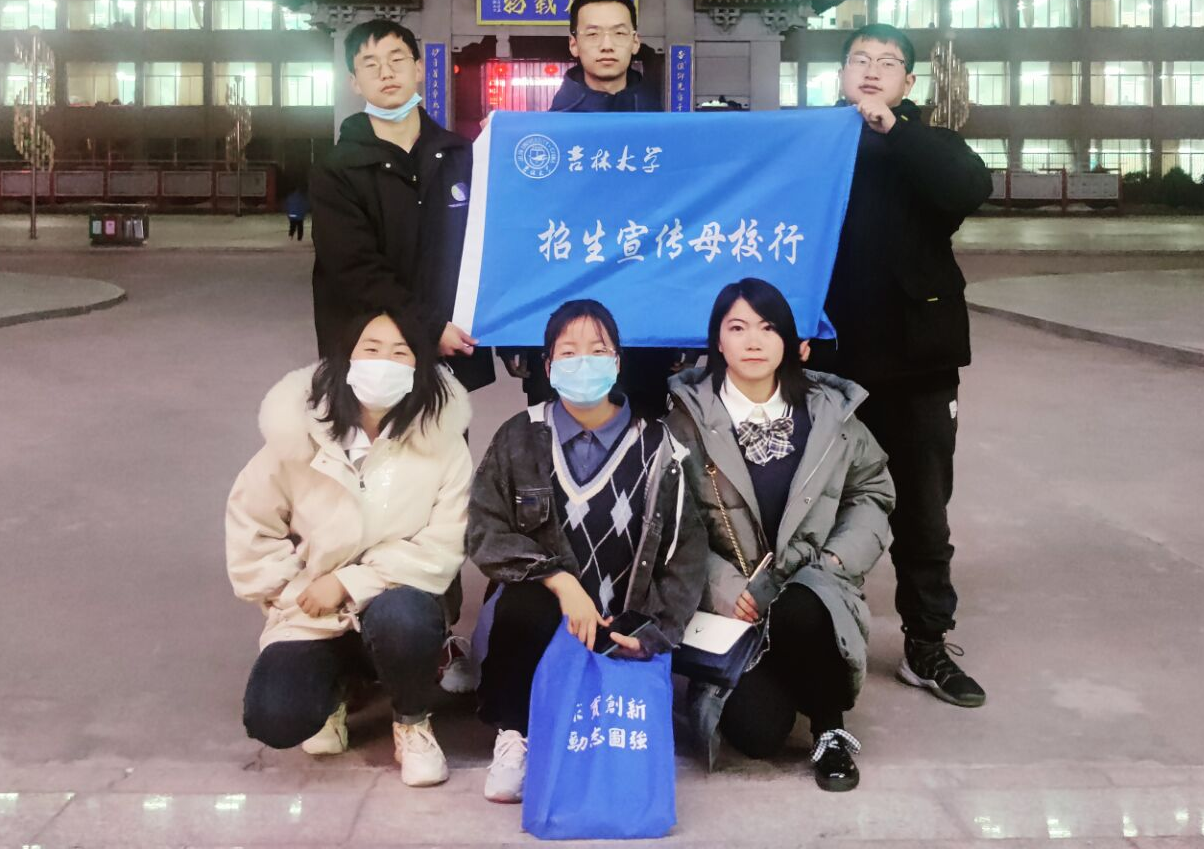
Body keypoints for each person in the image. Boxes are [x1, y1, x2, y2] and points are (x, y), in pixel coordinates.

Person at [814, 23, 994, 709]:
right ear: (840, 73)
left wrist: (893, 129)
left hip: (918, 362)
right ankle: (826, 631)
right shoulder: (815, 141)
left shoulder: (931, 144)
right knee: (823, 508)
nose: (871, 70)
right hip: (830, 362)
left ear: (908, 83)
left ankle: (926, 642)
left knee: (922, 510)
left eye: (887, 63)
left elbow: (966, 189)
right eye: (859, 59)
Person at [465, 298, 707, 805]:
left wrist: (654, 630)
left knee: (614, 777)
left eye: (598, 351)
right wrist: (559, 581)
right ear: (548, 365)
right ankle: (514, 732)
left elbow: (685, 553)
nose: (584, 363)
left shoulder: (660, 448)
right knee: (524, 603)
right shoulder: (519, 436)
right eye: (568, 352)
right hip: (538, 623)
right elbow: (485, 532)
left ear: (617, 362)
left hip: (618, 624)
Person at [227, 308, 472, 787]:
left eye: (400, 353)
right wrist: (293, 592)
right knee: (275, 717)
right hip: (312, 614)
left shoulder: (442, 441)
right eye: (371, 349)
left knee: (403, 619)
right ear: (346, 358)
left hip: (398, 599)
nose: (384, 363)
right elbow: (250, 526)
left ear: (419, 366)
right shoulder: (295, 434)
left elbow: (443, 546)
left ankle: (412, 720)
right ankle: (336, 691)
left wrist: (347, 582)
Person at [666, 278, 894, 791]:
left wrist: (837, 561)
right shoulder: (686, 421)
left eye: (768, 328)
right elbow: (672, 519)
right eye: (738, 328)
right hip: (736, 608)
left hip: (812, 590)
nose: (753, 341)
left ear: (792, 341)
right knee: (758, 734)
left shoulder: (829, 413)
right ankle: (785, 673)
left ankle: (830, 727)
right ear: (717, 340)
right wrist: (722, 586)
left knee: (801, 606)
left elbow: (871, 490)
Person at [511, 0, 674, 419]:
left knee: (644, 442)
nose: (606, 45)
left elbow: (685, 226)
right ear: (573, 43)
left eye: (618, 33)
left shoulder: (670, 132)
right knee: (555, 447)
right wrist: (516, 333)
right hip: (560, 329)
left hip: (646, 326)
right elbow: (519, 235)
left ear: (635, 42)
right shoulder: (539, 138)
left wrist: (685, 326)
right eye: (593, 33)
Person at [309, 18, 492, 391]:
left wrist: (501, 146)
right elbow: (353, 268)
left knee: (446, 431)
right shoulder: (337, 168)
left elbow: (491, 246)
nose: (386, 73)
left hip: (451, 351)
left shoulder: (463, 156)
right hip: (371, 354)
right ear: (354, 82)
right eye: (370, 64)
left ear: (419, 69)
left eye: (397, 59)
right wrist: (428, 327)